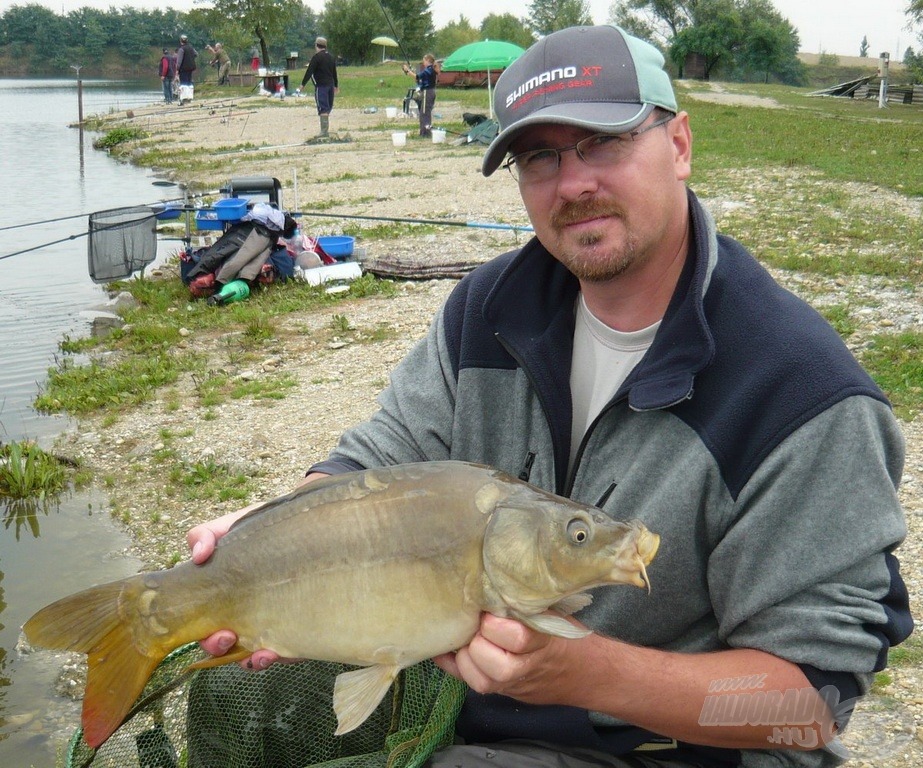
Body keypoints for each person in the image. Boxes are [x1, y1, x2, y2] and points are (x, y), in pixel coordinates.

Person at [188, 24, 913, 768]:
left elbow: (809, 709)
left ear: (680, 145)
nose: (572, 185)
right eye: (539, 157)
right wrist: (279, 528)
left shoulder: (801, 394)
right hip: (485, 724)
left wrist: (591, 674)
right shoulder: (489, 308)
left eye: (604, 142)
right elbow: (380, 458)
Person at [295, 36, 338, 138]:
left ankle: (324, 131)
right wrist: (336, 85)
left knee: (323, 108)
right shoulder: (331, 57)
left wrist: (302, 84)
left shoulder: (316, 57)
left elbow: (309, 71)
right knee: (327, 108)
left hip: (321, 87)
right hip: (330, 86)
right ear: (325, 46)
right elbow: (334, 72)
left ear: (316, 45)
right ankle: (325, 129)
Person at [402, 53, 438, 137]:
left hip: (427, 92)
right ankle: (424, 132)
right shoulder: (431, 70)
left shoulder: (428, 70)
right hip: (430, 91)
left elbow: (417, 77)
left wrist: (407, 70)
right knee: (424, 112)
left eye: (424, 61)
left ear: (428, 60)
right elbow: (420, 80)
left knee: (425, 113)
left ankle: (425, 133)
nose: (423, 62)